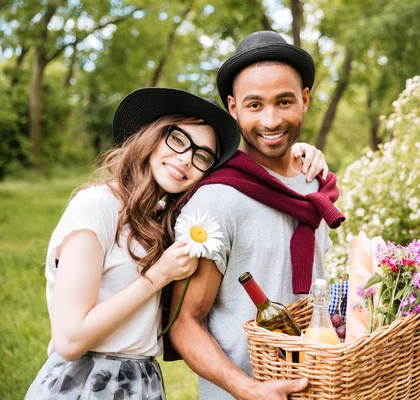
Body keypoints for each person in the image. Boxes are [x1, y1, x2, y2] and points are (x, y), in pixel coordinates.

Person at [25, 87, 328, 400]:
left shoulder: (163, 219)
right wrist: (159, 276)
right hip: (87, 382)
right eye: (179, 140)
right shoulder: (96, 206)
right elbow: (70, 341)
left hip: (142, 380)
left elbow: (246, 173)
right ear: (152, 136)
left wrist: (293, 156)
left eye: (202, 156)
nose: (185, 160)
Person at [167, 31, 345, 400]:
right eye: (254, 105)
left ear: (305, 99)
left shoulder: (315, 187)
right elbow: (185, 323)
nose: (270, 120)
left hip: (318, 387)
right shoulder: (217, 201)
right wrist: (248, 389)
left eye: (284, 102)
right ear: (233, 108)